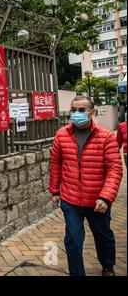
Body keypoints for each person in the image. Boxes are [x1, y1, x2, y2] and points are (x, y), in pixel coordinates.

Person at [49, 95, 123, 276]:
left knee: (103, 236)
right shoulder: (61, 135)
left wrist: (106, 196)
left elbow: (115, 169)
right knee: (73, 239)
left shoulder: (106, 137)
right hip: (70, 199)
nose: (76, 114)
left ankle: (108, 265)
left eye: (81, 110)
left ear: (92, 112)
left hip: (97, 200)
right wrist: (55, 191)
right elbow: (56, 164)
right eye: (73, 110)